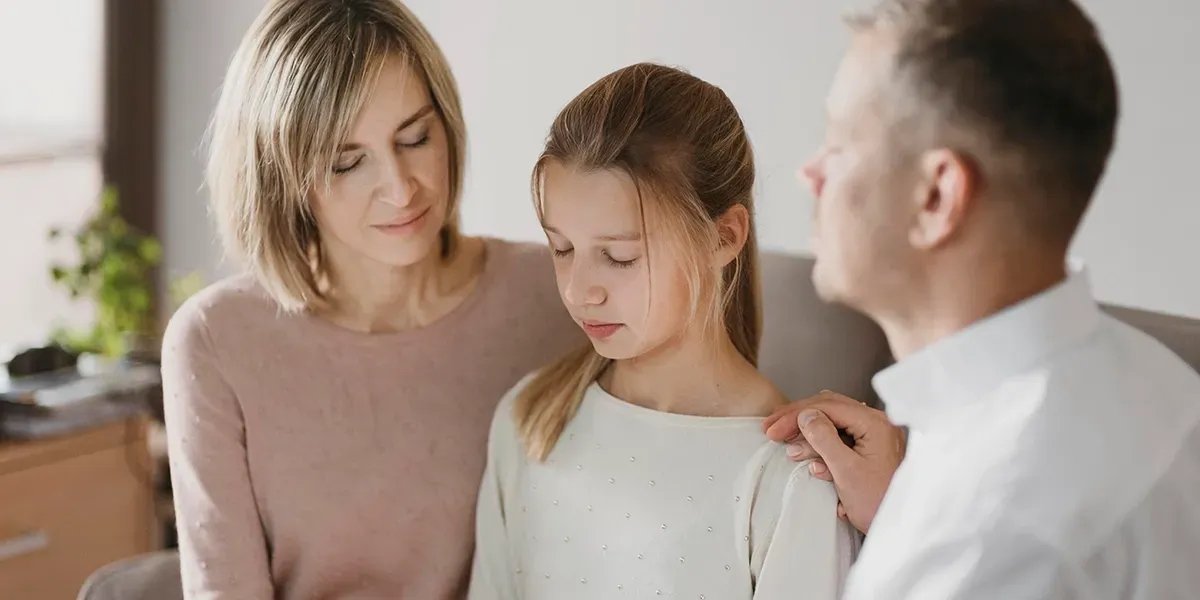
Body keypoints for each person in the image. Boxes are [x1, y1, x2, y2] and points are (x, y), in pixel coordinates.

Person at [763, 0, 1200, 597]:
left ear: (937, 197)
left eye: (839, 145)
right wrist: (902, 514)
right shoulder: (1165, 389)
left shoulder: (984, 546)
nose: (809, 174)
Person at [160, 1, 582, 597]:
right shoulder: (216, 341)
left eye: (414, 137)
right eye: (347, 162)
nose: (400, 187)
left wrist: (760, 427)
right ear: (282, 178)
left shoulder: (562, 292)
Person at [467, 63, 859, 600]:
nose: (581, 291)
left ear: (723, 236)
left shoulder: (791, 478)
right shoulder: (528, 418)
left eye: (620, 257)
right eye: (561, 249)